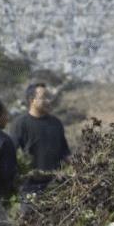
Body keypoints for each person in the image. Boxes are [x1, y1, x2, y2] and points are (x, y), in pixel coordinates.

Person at [10, 83, 70, 212]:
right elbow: (10, 153)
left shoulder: (56, 123)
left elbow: (65, 153)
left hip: (55, 187)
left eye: (49, 97)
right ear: (32, 100)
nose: (49, 100)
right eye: (44, 97)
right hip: (29, 189)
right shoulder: (20, 124)